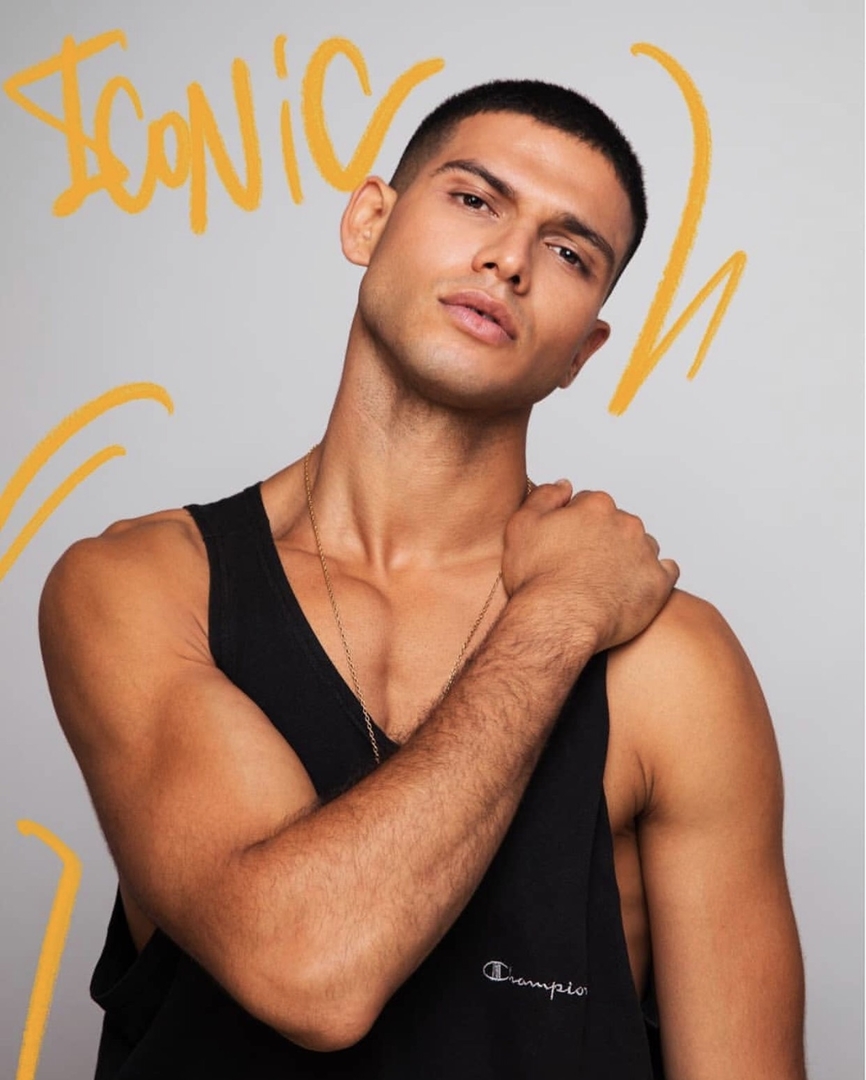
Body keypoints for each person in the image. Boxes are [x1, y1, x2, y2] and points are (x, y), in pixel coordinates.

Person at [39, 80, 806, 1079]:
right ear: (369, 220)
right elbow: (308, 970)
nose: (509, 259)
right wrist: (558, 616)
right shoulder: (140, 586)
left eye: (568, 253)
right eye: (474, 200)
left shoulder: (675, 667)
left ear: (583, 350)